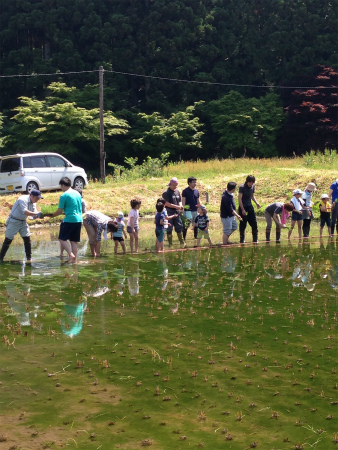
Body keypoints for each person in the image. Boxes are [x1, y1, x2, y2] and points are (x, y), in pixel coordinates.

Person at [0, 189, 43, 263]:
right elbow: (25, 212)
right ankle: (0, 259)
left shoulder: (34, 202)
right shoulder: (22, 199)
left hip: (23, 222)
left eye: (38, 198)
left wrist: (38, 216)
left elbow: (32, 214)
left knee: (27, 239)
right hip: (13, 221)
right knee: (8, 240)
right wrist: (36, 214)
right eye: (36, 198)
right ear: (31, 196)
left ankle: (29, 259)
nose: (37, 200)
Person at [51, 177, 83, 263]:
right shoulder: (77, 193)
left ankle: (70, 254)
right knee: (74, 241)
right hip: (79, 219)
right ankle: (74, 261)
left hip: (69, 220)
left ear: (63, 185)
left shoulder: (64, 195)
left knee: (62, 239)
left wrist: (52, 215)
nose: (61, 188)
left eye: (61, 186)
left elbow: (59, 211)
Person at [162, 177, 185, 248]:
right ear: (170, 184)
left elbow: (179, 201)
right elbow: (166, 203)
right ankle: (170, 244)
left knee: (179, 226)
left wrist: (180, 206)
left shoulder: (177, 191)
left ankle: (182, 242)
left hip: (176, 212)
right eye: (173, 185)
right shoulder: (166, 193)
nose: (175, 187)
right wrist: (176, 207)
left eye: (176, 185)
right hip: (168, 212)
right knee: (169, 228)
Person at [238, 175, 261, 243]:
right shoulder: (242, 187)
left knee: (254, 223)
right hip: (243, 207)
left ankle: (255, 239)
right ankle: (242, 240)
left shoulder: (253, 186)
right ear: (247, 181)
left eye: (252, 183)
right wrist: (242, 209)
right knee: (243, 223)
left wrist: (257, 203)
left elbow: (252, 196)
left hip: (249, 206)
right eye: (250, 182)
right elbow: (239, 199)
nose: (251, 184)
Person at [182, 177, 200, 241]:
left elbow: (198, 201)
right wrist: (184, 209)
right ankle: (183, 238)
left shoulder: (196, 191)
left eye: (195, 182)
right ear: (189, 183)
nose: (195, 183)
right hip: (188, 211)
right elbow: (183, 201)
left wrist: (200, 208)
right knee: (186, 225)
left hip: (195, 210)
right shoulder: (185, 191)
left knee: (196, 224)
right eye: (193, 182)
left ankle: (196, 237)